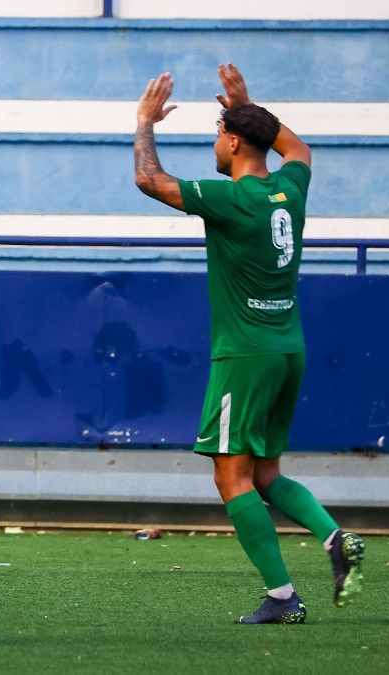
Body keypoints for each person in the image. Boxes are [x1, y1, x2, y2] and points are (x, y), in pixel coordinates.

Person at [133, 64, 364, 624]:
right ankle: (333, 539)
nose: (214, 145)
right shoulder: (290, 190)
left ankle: (283, 598)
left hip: (245, 355)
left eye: (219, 134)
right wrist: (249, 105)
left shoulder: (229, 199)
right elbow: (300, 148)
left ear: (234, 142)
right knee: (265, 474)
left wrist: (144, 122)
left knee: (230, 477)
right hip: (288, 350)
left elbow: (149, 179)